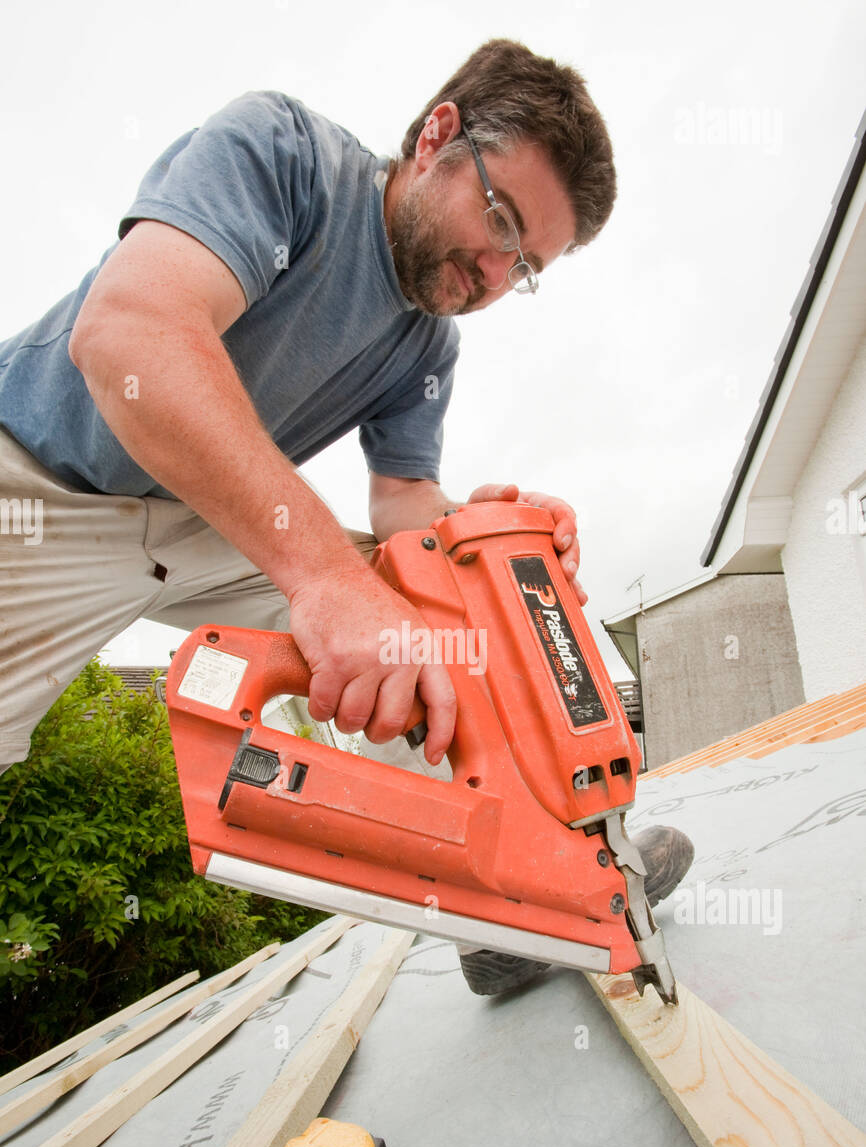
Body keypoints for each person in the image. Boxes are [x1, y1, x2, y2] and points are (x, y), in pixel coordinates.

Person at [0, 37, 692, 994]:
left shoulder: (427, 344)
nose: (493, 273)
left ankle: (537, 900)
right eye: (499, 221)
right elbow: (129, 335)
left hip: (201, 516)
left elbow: (407, 513)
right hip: (37, 487)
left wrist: (491, 542)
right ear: (437, 136)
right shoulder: (283, 153)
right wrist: (322, 579)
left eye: (524, 266)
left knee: (458, 600)